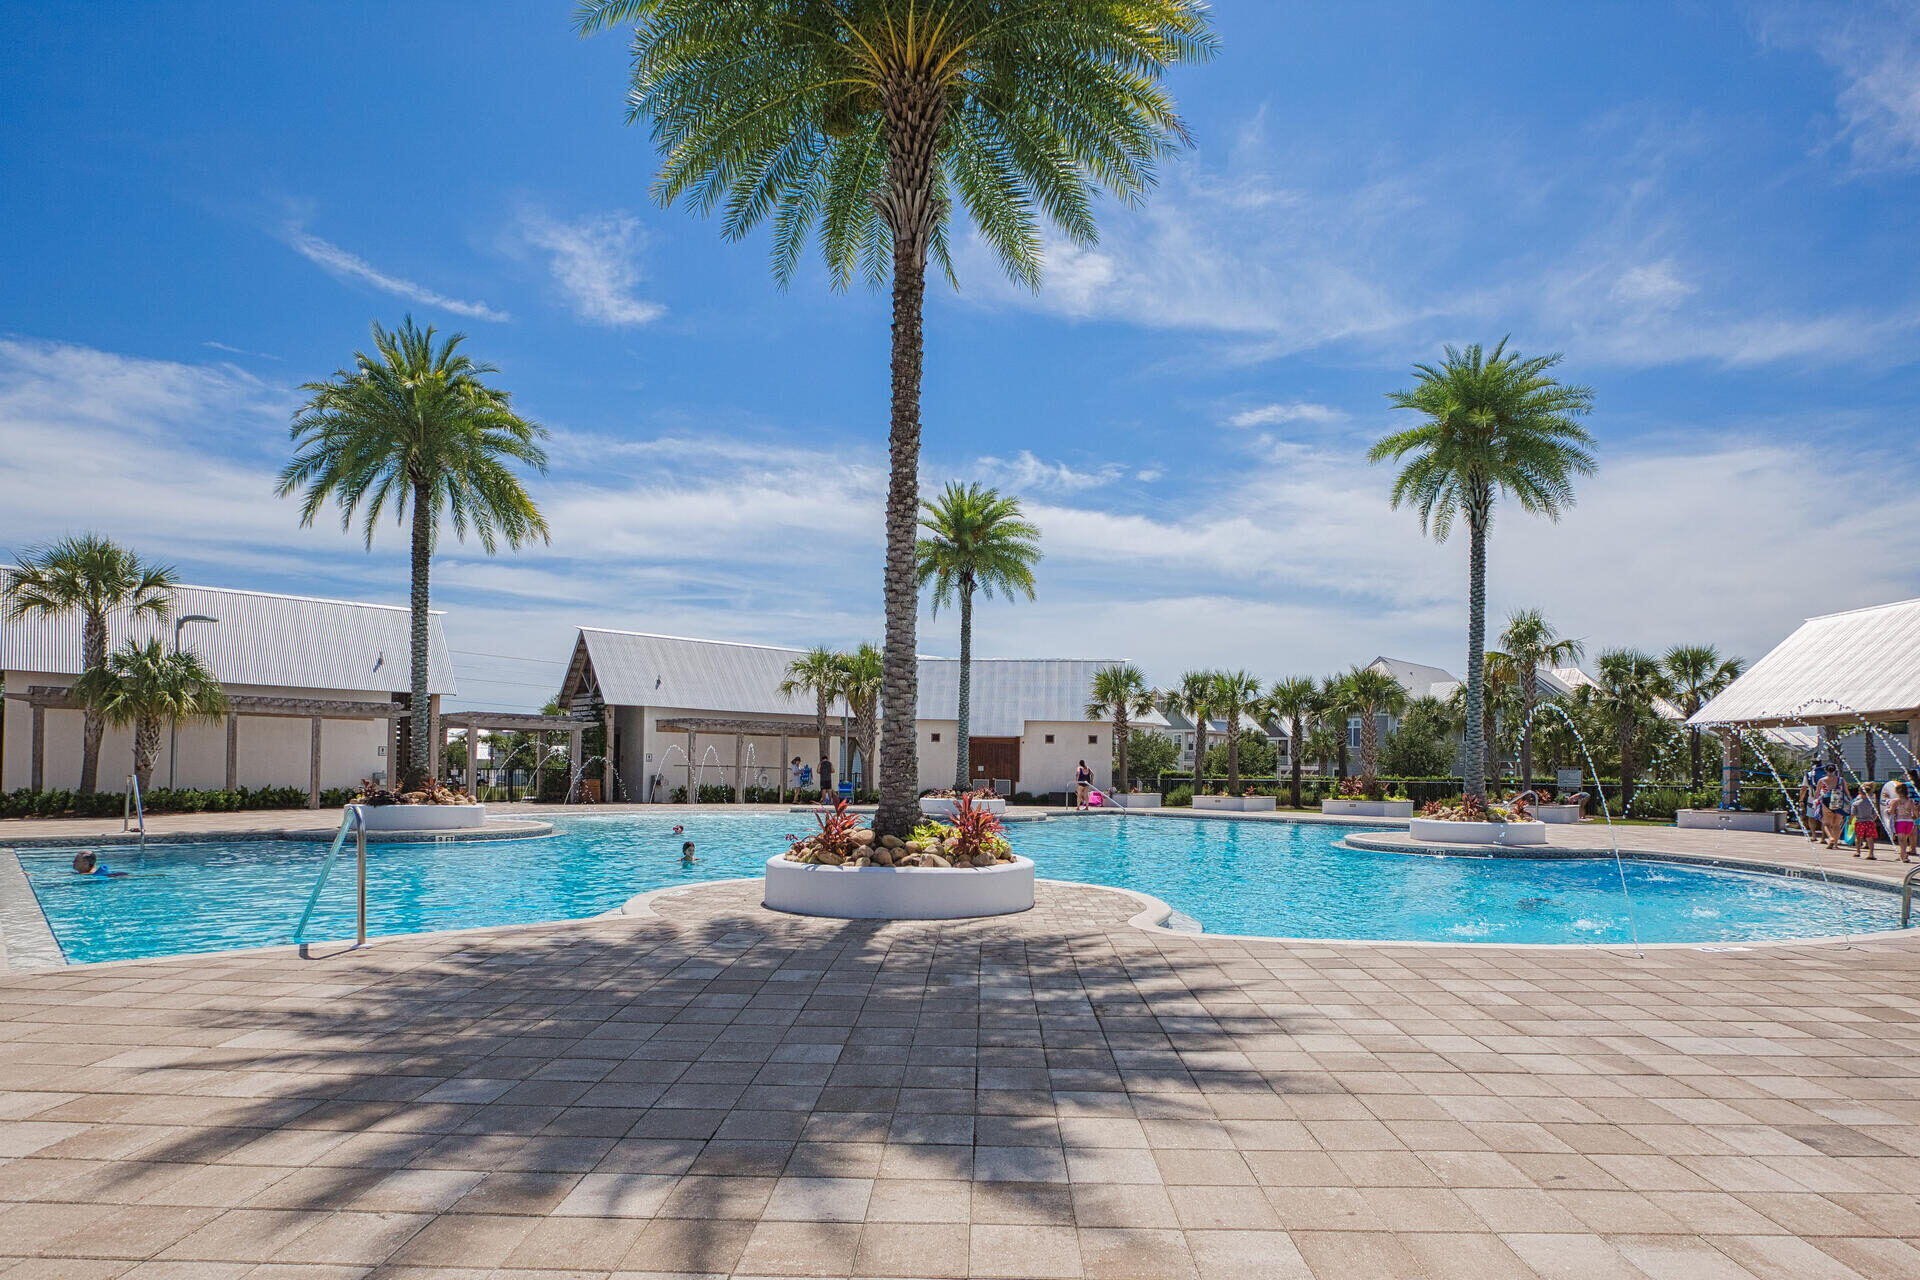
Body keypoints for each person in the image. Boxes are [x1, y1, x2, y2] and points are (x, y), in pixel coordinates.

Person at [1852, 784, 1881, 859]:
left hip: (1859, 822)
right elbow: (1875, 814)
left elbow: (1853, 814)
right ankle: (1871, 854)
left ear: (1860, 793)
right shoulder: (1872, 803)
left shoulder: (1856, 803)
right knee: (1870, 838)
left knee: (1858, 837)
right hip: (1869, 822)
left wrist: (1850, 821)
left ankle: (1858, 852)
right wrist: (1872, 820)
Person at [1820, 776, 1849, 850]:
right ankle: (1835, 844)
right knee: (1836, 824)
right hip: (1838, 800)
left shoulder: (1822, 780)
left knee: (1826, 823)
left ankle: (1830, 838)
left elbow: (1818, 792)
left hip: (1827, 801)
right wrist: (1850, 800)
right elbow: (1846, 791)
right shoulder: (1841, 779)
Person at [1893, 782, 1918, 863]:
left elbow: (1891, 812)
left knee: (1901, 840)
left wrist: (1887, 811)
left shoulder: (1896, 801)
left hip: (1900, 822)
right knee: (1905, 839)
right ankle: (1902, 855)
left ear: (1897, 792)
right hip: (1909, 822)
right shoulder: (1910, 801)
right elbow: (1915, 813)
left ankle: (1904, 856)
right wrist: (1914, 817)